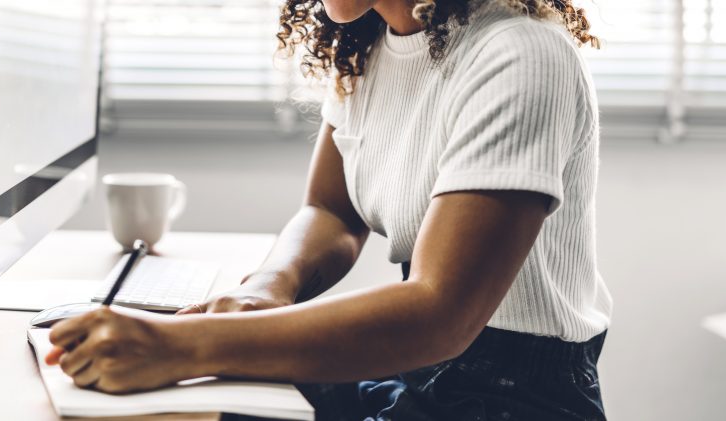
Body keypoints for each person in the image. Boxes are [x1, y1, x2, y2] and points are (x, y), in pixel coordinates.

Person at [46, 0, 612, 419]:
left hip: (514, 396)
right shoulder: (370, 45)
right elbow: (332, 211)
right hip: (417, 367)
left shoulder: (521, 54)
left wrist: (175, 346)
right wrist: (267, 287)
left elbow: (443, 313)